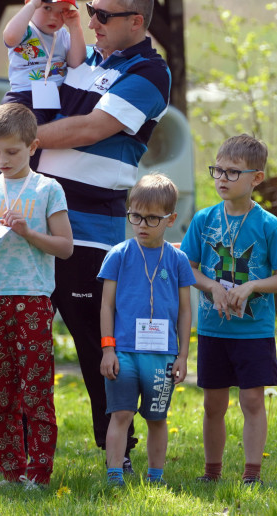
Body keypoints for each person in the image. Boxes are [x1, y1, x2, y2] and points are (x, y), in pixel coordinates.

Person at [35, 0, 171, 469]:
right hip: (33, 223)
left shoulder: (151, 72)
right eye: (90, 9)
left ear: (136, 21)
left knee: (97, 348)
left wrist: (21, 136)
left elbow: (95, 128)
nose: (90, 20)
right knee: (26, 346)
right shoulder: (81, 57)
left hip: (91, 232)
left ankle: (117, 450)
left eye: (102, 15)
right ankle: (23, 453)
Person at [0, 103, 74, 489]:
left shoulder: (47, 188)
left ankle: (39, 472)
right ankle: (10, 470)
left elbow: (65, 247)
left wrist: (29, 233)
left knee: (36, 388)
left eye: (12, 151)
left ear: (33, 147)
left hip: (30, 296)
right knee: (0, 389)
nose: (3, 159)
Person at [181, 135, 277, 485]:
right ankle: (211, 472)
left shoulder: (268, 224)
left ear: (255, 178)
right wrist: (213, 286)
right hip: (214, 329)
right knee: (213, 405)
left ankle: (251, 473)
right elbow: (190, 269)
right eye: (218, 170)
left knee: (252, 402)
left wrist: (251, 286)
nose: (222, 179)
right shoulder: (203, 219)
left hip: (254, 331)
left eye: (233, 172)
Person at [98, 174, 194, 486]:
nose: (142, 224)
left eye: (152, 218)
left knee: (157, 418)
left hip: (162, 356)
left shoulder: (178, 260)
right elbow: (107, 306)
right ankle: (114, 475)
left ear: (171, 219)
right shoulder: (119, 254)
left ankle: (155, 477)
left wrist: (182, 356)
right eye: (135, 216)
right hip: (123, 353)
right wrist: (108, 349)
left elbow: (184, 310)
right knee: (121, 415)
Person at [1, 0, 87, 123]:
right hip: (25, 99)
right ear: (29, 3)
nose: (54, 17)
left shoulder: (62, 35)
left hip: (57, 99)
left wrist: (75, 27)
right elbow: (10, 37)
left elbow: (76, 63)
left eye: (62, 11)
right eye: (47, 7)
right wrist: (32, 6)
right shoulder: (25, 30)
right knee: (29, 138)